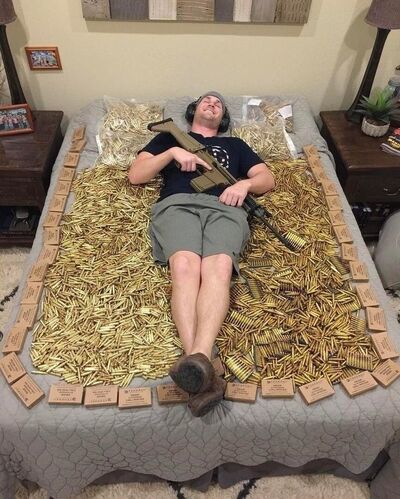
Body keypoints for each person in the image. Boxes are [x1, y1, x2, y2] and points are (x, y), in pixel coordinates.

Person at [128, 92, 275, 416]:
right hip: (177, 204)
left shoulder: (234, 145)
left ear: (223, 117)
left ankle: (196, 363)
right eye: (206, 100)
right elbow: (136, 175)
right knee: (184, 268)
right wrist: (172, 152)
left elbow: (267, 178)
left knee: (219, 269)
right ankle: (205, 368)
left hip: (225, 206)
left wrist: (243, 186)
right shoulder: (169, 138)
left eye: (219, 103)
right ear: (194, 110)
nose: (212, 103)